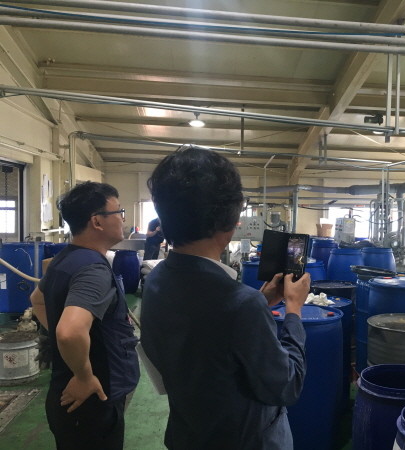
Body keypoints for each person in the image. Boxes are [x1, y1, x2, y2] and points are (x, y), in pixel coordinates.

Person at [141, 145, 310, 449]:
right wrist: (294, 310)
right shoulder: (240, 305)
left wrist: (260, 301)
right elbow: (287, 386)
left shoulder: (155, 281)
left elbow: (204, 337)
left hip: (189, 434)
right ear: (229, 222)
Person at [30, 182, 140, 450]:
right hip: (91, 401)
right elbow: (69, 332)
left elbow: (37, 300)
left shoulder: (66, 258)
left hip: (67, 396)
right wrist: (83, 376)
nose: (123, 219)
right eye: (119, 212)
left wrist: (68, 347)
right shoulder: (92, 270)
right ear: (97, 221)